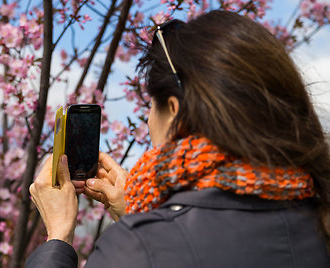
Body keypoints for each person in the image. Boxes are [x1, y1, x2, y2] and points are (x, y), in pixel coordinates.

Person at [26, 10, 330, 267]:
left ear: (174, 111)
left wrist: (59, 237)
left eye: (150, 107)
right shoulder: (318, 220)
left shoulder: (137, 248)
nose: (147, 121)